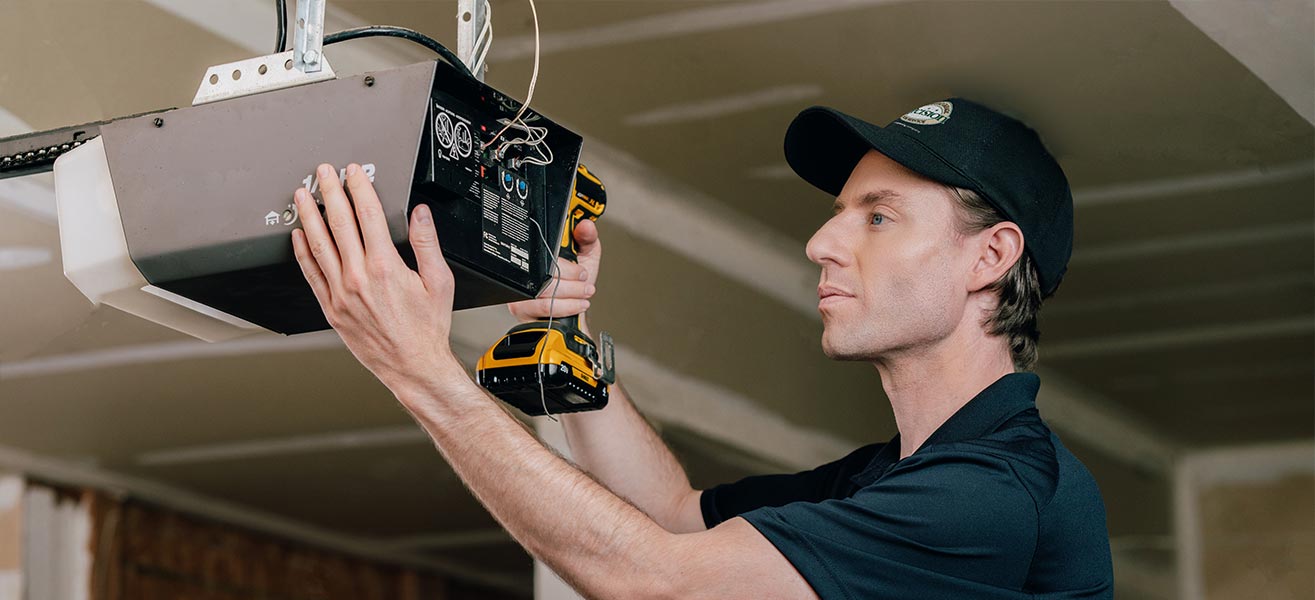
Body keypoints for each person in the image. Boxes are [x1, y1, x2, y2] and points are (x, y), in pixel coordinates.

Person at [288, 97, 1114, 598]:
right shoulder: (895, 478)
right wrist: (559, 342)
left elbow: (656, 581)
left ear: (990, 257)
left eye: (876, 216)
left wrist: (420, 370)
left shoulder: (992, 497)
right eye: (837, 213)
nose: (820, 244)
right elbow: (675, 523)